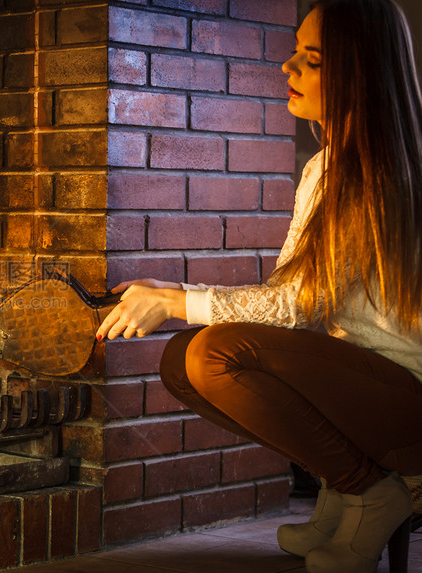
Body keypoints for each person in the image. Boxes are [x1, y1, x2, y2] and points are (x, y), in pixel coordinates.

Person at [95, 1, 422, 572]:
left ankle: (373, 492)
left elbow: (292, 309)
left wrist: (175, 302)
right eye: (294, 52)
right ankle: (347, 490)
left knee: (215, 355)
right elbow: (293, 293)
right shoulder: (328, 166)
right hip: (369, 384)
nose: (286, 67)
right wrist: (172, 287)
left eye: (311, 59)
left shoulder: (375, 174)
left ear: (359, 72)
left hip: (409, 401)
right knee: (182, 360)